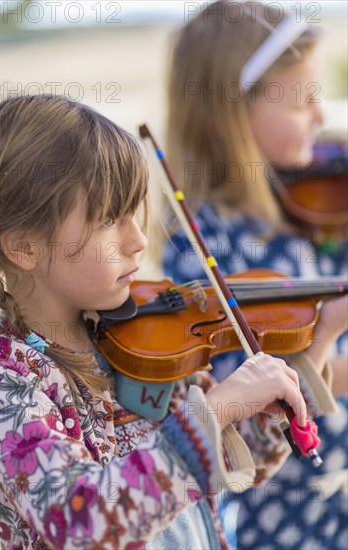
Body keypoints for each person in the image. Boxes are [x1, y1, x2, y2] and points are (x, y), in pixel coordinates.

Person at [0, 94, 334, 550]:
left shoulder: (137, 339)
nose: (139, 240)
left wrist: (316, 343)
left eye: (133, 213)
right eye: (109, 220)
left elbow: (234, 467)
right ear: (25, 248)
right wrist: (216, 409)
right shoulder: (5, 375)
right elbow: (82, 523)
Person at [162, 1, 348, 548]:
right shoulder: (203, 241)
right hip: (292, 509)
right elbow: (237, 389)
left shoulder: (314, 198)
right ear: (232, 114)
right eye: (304, 99)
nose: (321, 116)